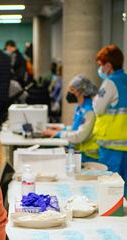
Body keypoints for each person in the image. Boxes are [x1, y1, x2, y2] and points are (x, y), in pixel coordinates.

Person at [93, 44, 127, 195]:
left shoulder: (110, 83)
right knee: (124, 190)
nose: (100, 69)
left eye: (101, 65)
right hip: (124, 145)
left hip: (111, 146)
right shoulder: (125, 80)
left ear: (108, 65)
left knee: (111, 191)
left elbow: (98, 108)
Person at [43, 75, 99, 162]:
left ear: (81, 92)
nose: (69, 92)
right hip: (79, 152)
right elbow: (76, 128)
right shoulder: (80, 106)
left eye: (72, 90)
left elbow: (79, 136)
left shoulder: (89, 111)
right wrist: (63, 129)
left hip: (88, 156)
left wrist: (58, 133)